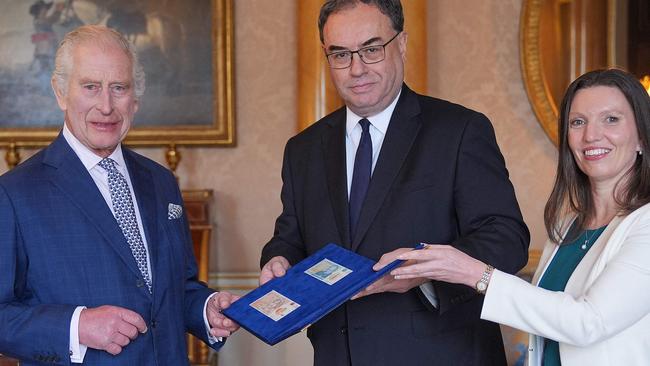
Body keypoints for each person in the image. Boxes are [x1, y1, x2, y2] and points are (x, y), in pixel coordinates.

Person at [258, 0, 530, 365]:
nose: (356, 69)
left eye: (371, 49)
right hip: (338, 353)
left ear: (400, 44)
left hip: (441, 353)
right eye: (340, 54)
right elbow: (291, 235)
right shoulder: (303, 148)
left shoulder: (460, 130)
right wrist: (278, 257)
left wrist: (423, 273)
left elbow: (506, 238)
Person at [0, 25, 238, 365]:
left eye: (119, 88)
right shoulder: (14, 194)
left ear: (136, 98)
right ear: (60, 91)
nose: (107, 106)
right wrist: (77, 325)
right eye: (90, 87)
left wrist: (205, 308)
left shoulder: (161, 182)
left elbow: (175, 289)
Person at [389, 68, 650, 366]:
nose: (591, 135)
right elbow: (545, 327)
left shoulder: (646, 224)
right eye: (578, 122)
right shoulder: (568, 224)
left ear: (642, 136)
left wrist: (475, 273)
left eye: (611, 119)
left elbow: (588, 322)